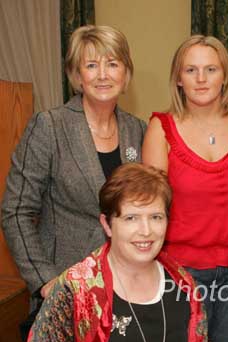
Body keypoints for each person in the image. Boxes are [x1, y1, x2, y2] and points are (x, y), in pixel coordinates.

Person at [26, 163, 218, 342]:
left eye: (156, 217)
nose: (146, 231)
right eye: (131, 218)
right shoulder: (75, 292)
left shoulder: (183, 285)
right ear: (107, 224)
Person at [142, 35, 228, 342]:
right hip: (182, 270)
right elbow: (149, 207)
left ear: (224, 75)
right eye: (191, 70)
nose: (201, 78)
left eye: (210, 69)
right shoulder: (161, 128)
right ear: (178, 78)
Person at [2, 24, 145, 310]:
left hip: (125, 285)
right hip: (65, 286)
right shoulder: (49, 126)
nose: (103, 75)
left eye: (113, 64)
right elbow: (16, 212)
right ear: (77, 76)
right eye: (91, 65)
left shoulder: (139, 130)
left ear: (126, 73)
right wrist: (45, 280)